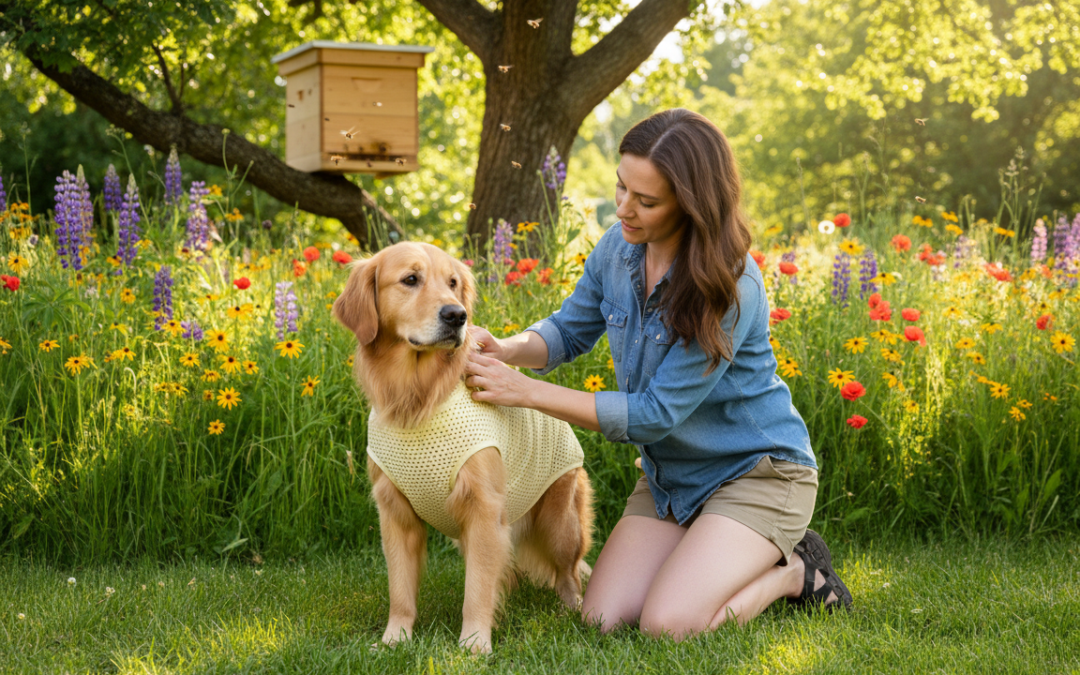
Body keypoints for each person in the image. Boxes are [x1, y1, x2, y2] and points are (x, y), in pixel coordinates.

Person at [464, 108, 851, 640]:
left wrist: (526, 393)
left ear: (692, 205)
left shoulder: (732, 287)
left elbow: (654, 415)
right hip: (672, 481)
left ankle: (792, 572)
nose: (625, 208)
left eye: (646, 201)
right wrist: (505, 349)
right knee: (601, 618)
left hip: (756, 475)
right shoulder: (618, 249)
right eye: (622, 188)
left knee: (667, 625)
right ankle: (710, 551)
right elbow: (567, 330)